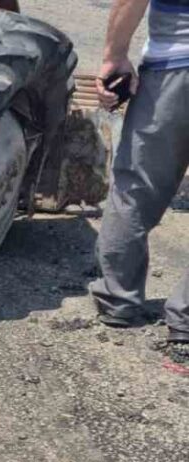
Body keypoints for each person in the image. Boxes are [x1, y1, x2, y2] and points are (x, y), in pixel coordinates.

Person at [90, 0, 189, 350]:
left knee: (136, 186)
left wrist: (114, 55)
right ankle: (186, 320)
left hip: (171, 69)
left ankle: (118, 300)